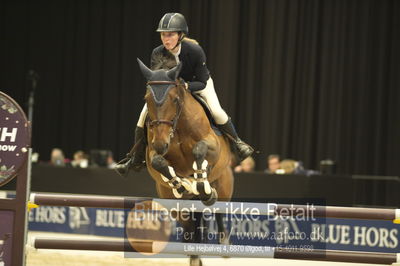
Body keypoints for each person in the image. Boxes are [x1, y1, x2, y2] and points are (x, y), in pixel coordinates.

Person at [116, 13, 253, 175]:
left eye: (170, 35)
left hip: (197, 84)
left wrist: (185, 86)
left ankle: (237, 143)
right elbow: (158, 78)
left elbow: (202, 81)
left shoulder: (194, 51)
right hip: (171, 90)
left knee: (216, 111)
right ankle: (136, 158)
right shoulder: (157, 52)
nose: (166, 39)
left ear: (180, 35)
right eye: (163, 35)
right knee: (142, 117)